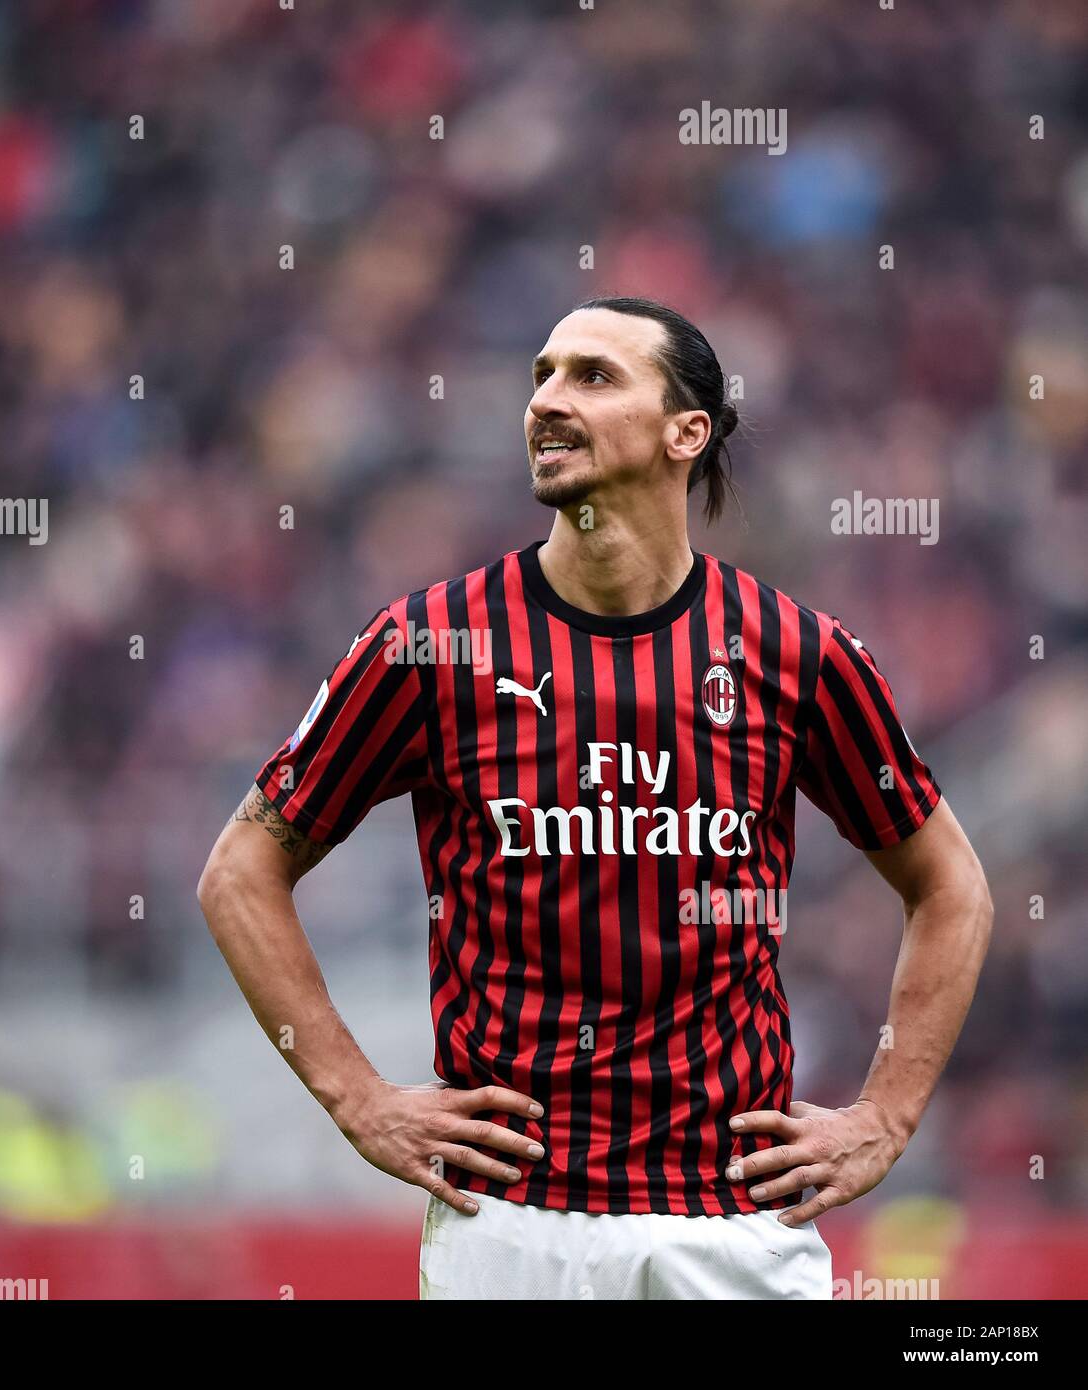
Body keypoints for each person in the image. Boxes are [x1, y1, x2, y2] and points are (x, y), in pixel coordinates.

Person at [197, 296, 992, 1300]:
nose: (547, 402)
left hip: (734, 1224)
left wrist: (885, 1116)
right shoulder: (430, 645)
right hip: (510, 1227)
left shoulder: (798, 654)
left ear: (685, 432)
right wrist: (356, 1097)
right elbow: (241, 870)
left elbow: (950, 885)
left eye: (593, 376)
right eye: (540, 376)